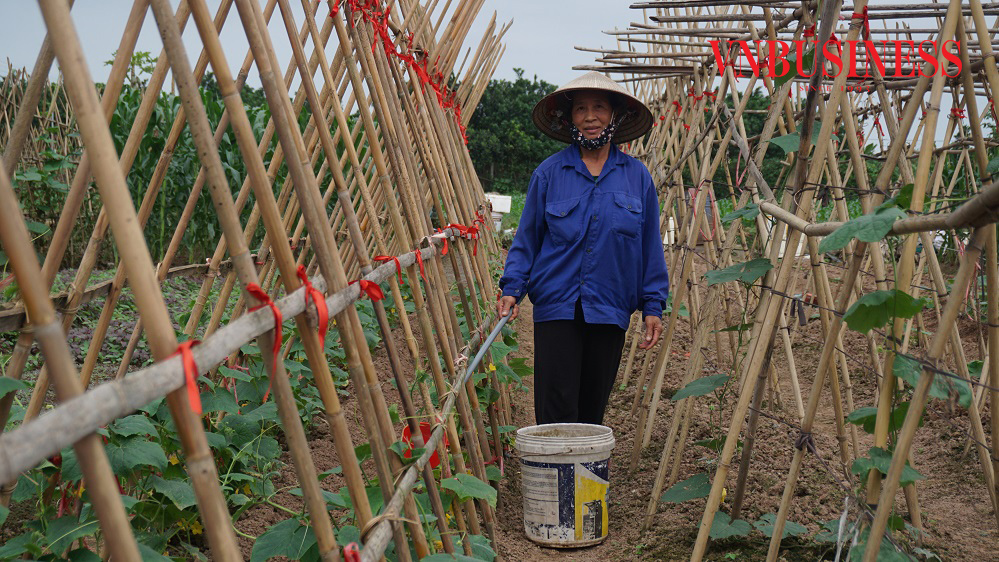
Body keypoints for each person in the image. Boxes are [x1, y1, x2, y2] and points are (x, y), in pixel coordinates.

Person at [496, 71, 670, 426]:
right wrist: (512, 287)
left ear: (616, 115)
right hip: (557, 305)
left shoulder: (637, 178)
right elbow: (527, 238)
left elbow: (650, 246)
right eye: (580, 109)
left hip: (610, 305)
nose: (590, 117)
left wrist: (654, 304)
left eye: (599, 108)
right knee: (556, 408)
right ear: (569, 118)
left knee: (593, 408)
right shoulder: (549, 174)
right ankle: (553, 480)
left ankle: (585, 481)